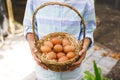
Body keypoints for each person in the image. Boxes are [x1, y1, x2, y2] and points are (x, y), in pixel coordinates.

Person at [23, 0, 96, 80]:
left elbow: (88, 29)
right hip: (45, 72)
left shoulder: (86, 1)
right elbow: (29, 26)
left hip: (72, 72)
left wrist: (84, 46)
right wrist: (32, 43)